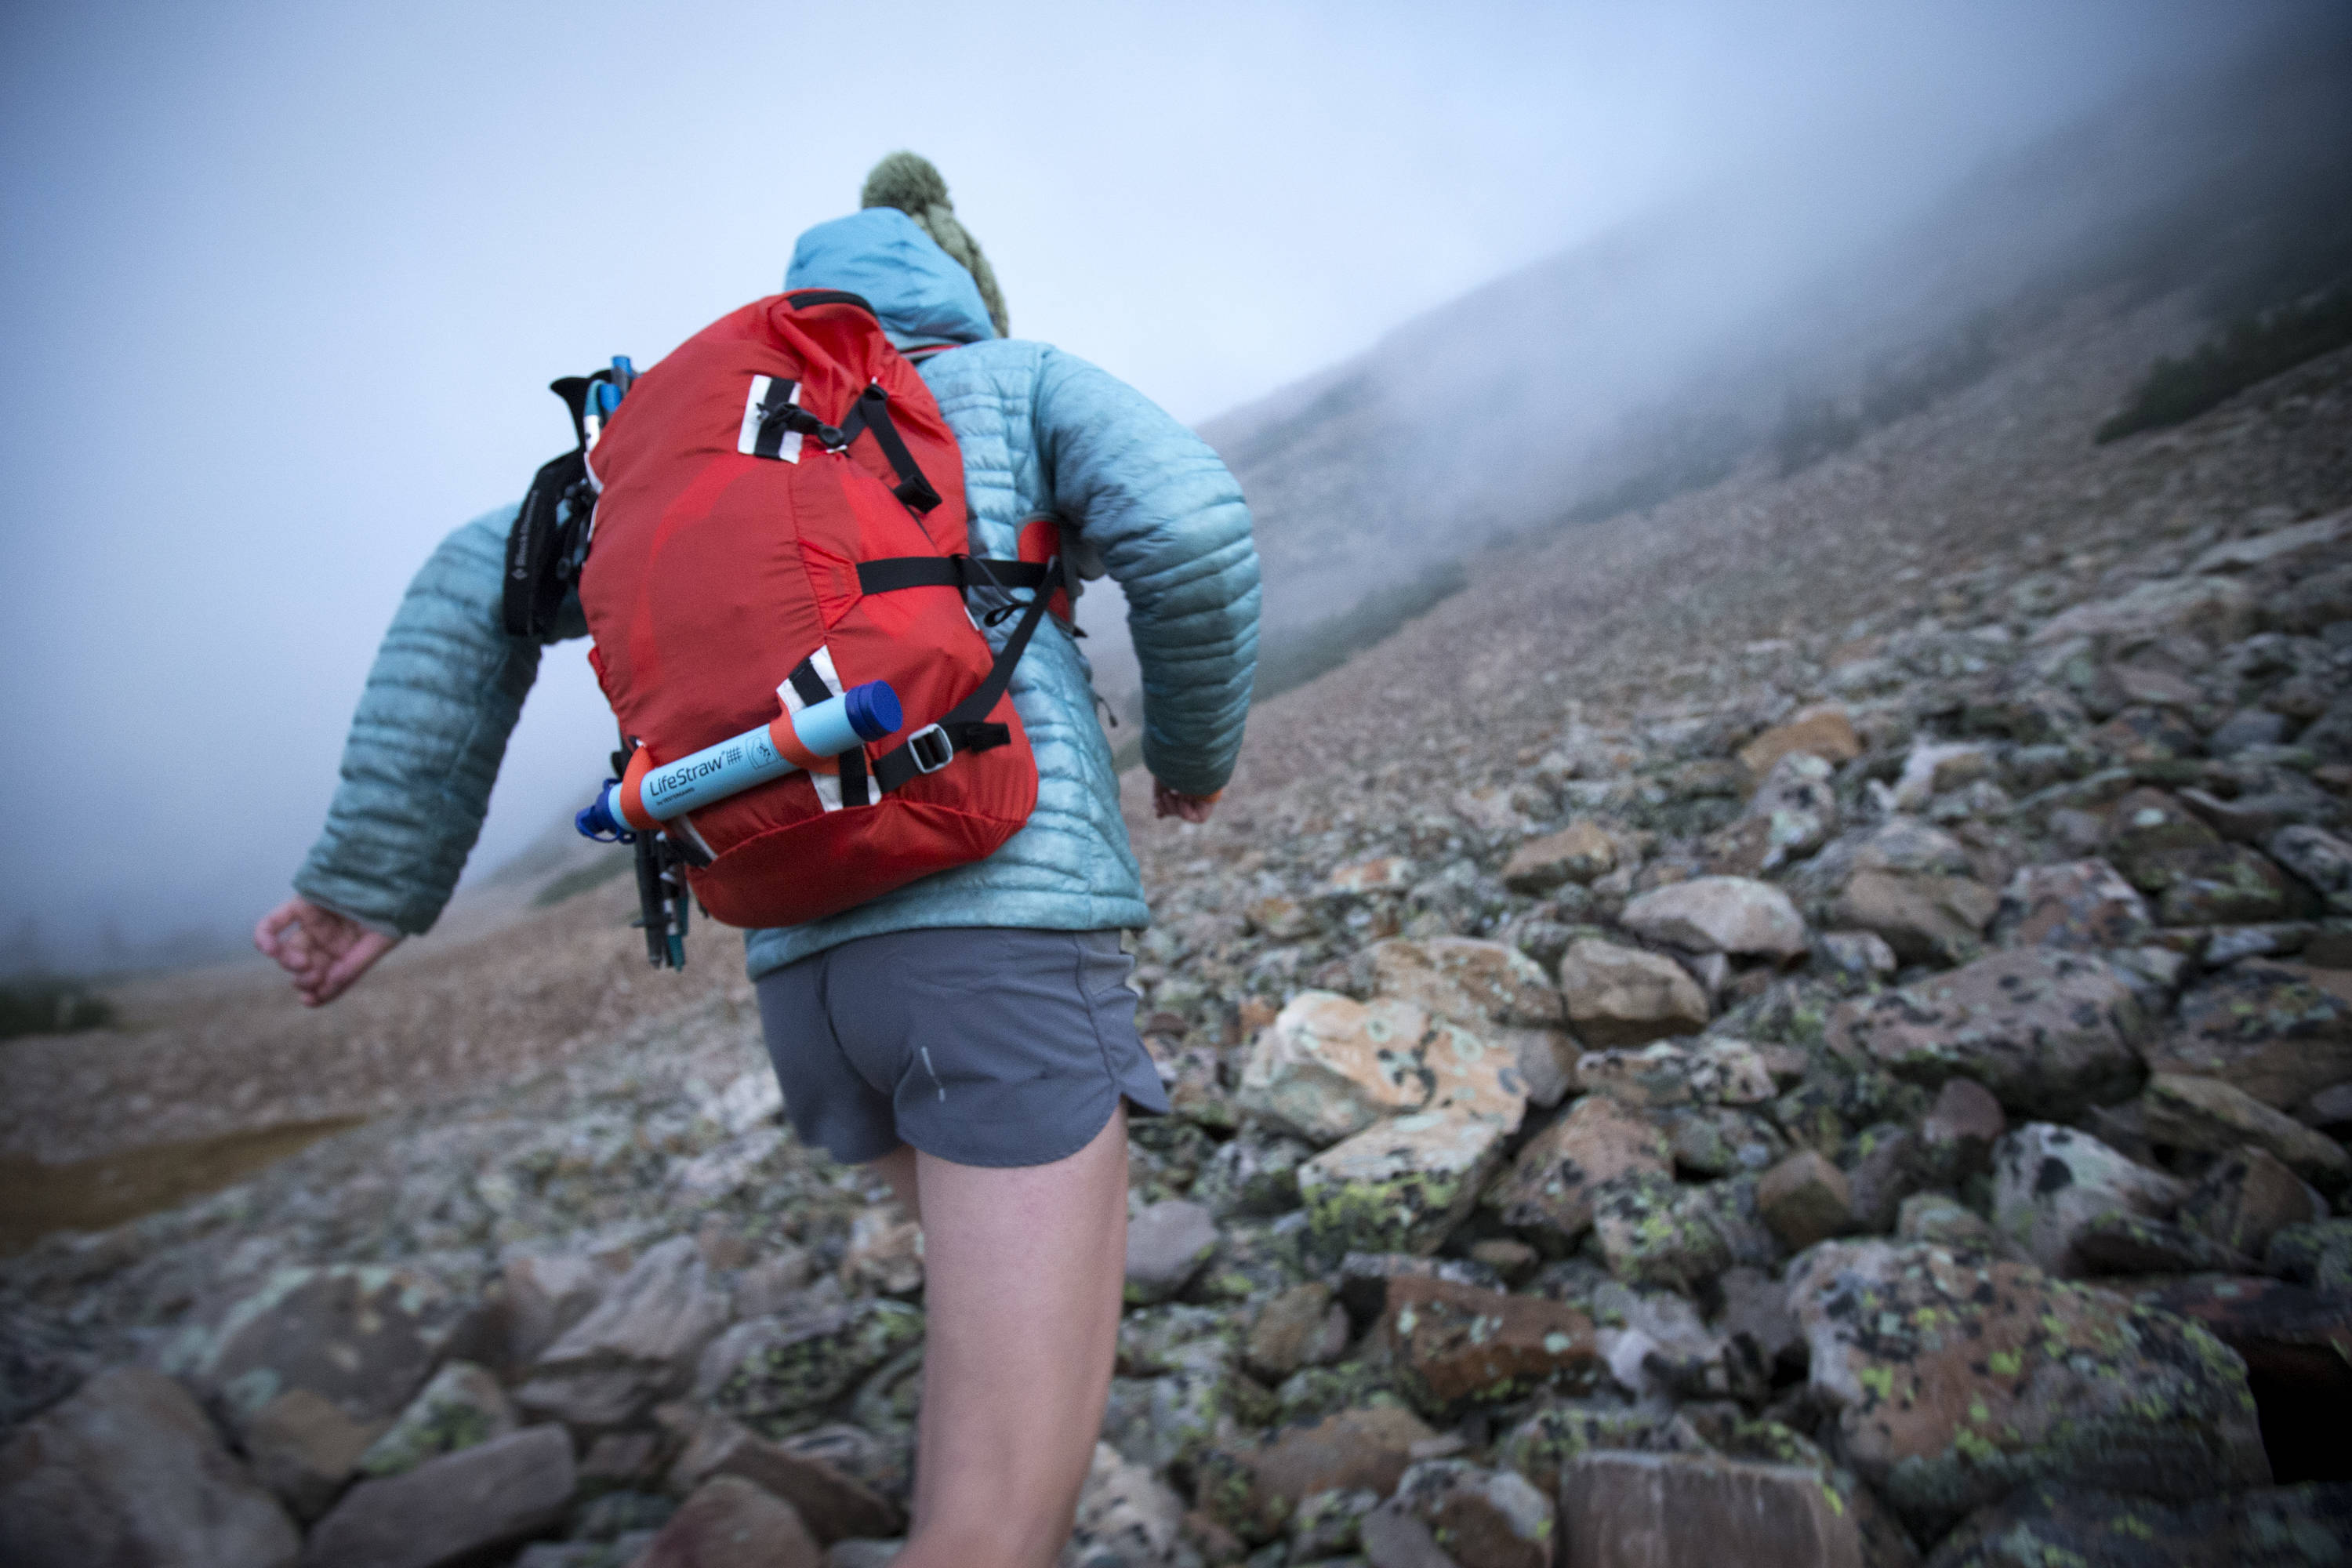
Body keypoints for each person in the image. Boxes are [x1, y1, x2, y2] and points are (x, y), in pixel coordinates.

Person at [256, 152, 1259, 1568]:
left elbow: (452, 598)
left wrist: (368, 882)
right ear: (962, 290)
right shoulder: (1009, 382)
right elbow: (1200, 530)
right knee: (992, 1526)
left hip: (800, 970)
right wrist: (1197, 758)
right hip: (999, 944)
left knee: (981, 1396)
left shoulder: (684, 442)